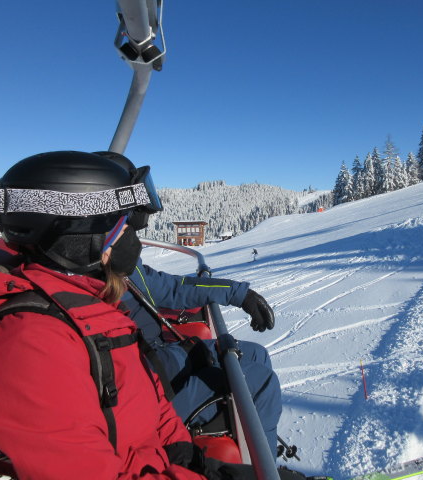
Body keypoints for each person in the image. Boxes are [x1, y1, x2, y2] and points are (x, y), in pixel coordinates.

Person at [0, 151, 227, 479]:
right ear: (81, 237)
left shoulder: (94, 305)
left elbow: (150, 401)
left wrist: (190, 460)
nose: (132, 239)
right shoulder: (34, 346)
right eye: (123, 226)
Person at [92, 152, 281, 456]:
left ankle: (260, 448)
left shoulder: (121, 265)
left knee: (257, 355)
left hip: (159, 365)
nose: (131, 236)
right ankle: (264, 469)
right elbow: (117, 369)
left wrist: (238, 294)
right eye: (124, 226)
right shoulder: (90, 287)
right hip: (147, 392)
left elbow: (174, 288)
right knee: (259, 383)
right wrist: (185, 354)